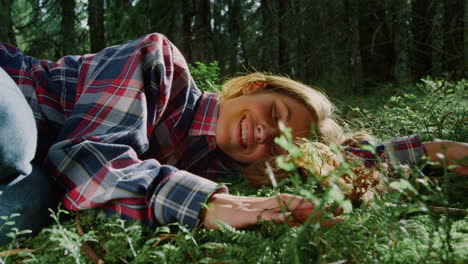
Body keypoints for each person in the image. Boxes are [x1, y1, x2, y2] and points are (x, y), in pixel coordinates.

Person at [0, 33, 466, 242]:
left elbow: (338, 160)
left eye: (279, 146)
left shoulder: (210, 165)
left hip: (22, 172)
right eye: (276, 113)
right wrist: (208, 205)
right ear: (252, 87)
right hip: (10, 96)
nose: (266, 134)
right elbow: (83, 162)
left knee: (28, 202)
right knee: (22, 146)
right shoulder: (158, 66)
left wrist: (422, 151)